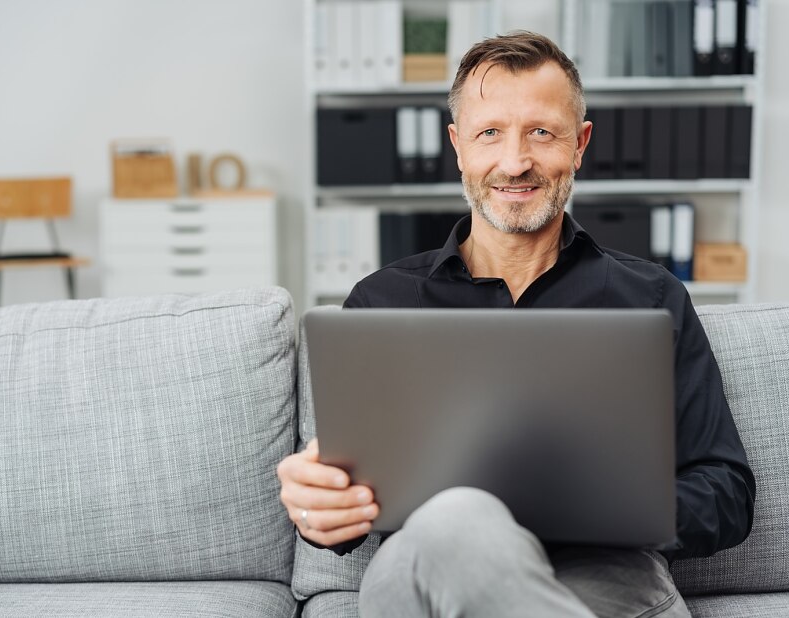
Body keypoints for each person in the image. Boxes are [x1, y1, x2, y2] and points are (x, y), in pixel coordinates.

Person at [277, 31, 755, 617]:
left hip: (611, 575)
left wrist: (617, 505)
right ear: (457, 146)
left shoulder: (651, 298)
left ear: (579, 144)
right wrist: (319, 508)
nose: (515, 161)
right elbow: (344, 518)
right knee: (456, 519)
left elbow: (729, 493)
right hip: (428, 572)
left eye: (541, 133)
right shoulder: (382, 302)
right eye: (489, 133)